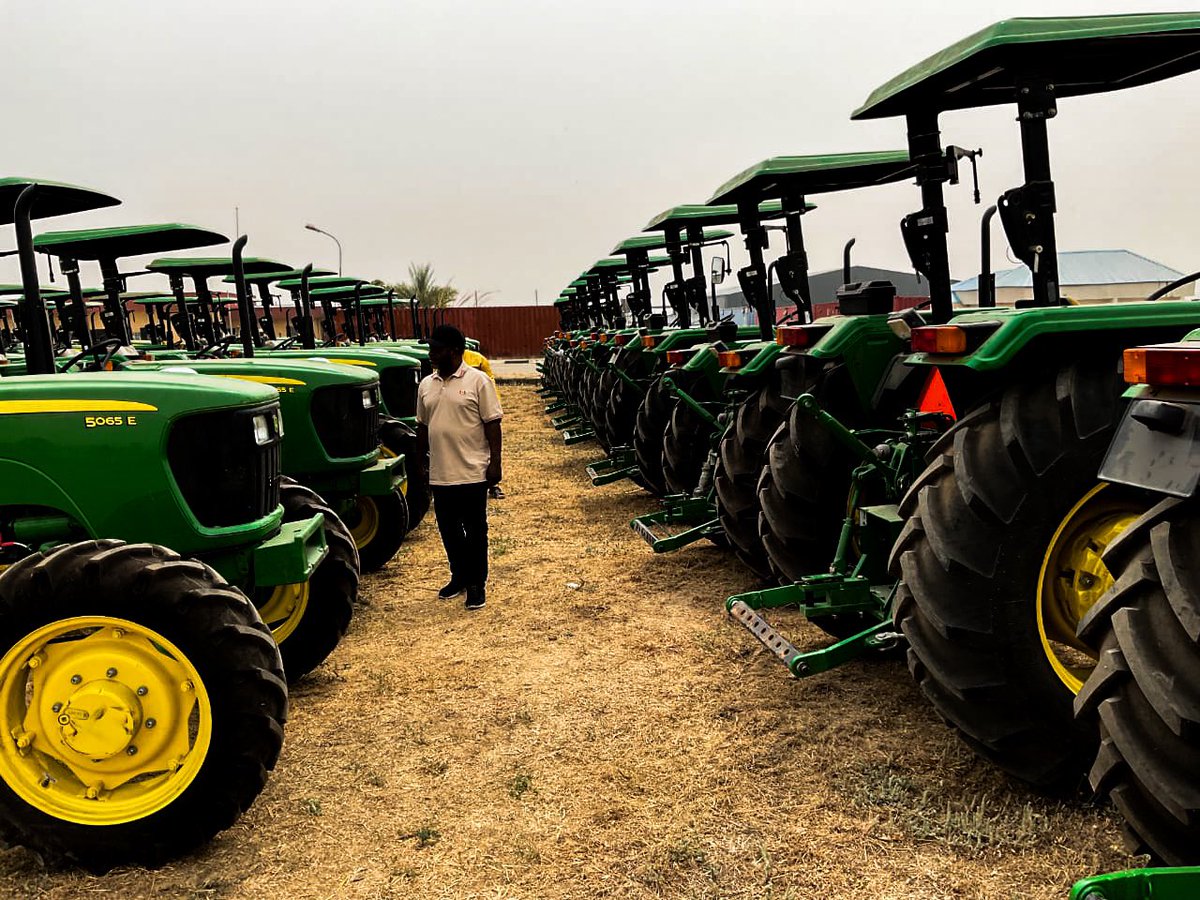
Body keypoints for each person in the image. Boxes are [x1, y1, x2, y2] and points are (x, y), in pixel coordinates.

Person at [415, 324, 503, 610]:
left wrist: (495, 464)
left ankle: (477, 585)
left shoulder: (478, 381)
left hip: (472, 472)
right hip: (441, 474)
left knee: (475, 531)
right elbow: (422, 427)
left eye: (435, 348)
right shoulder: (427, 384)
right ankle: (459, 577)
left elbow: (493, 423)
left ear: (453, 351)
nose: (430, 353)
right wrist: (421, 462)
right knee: (448, 530)